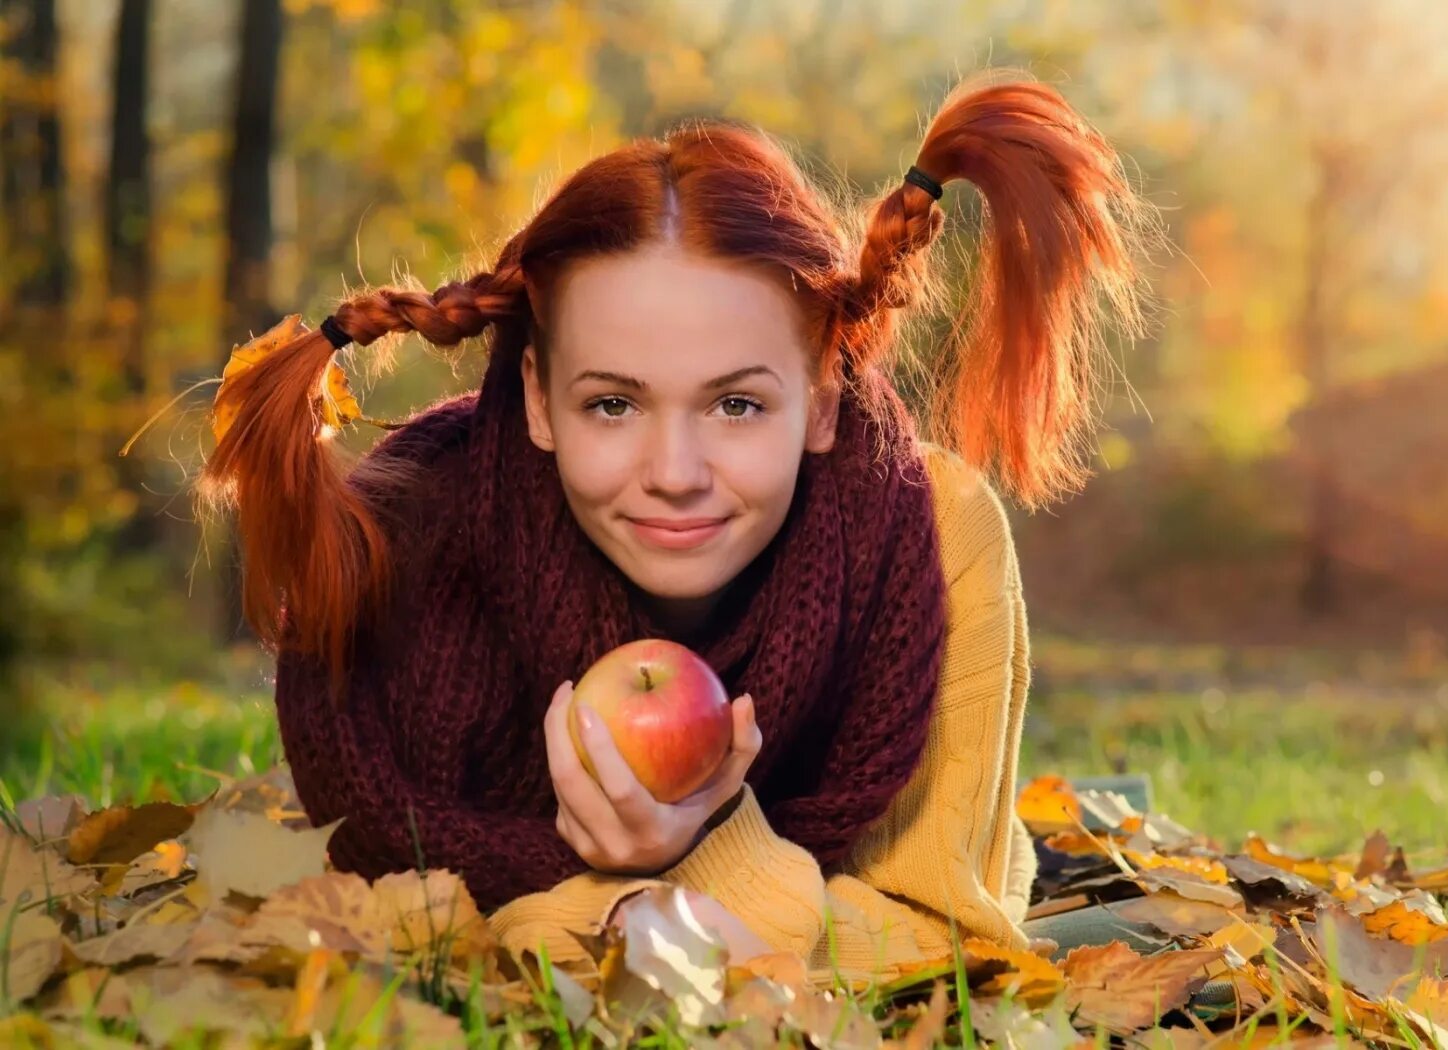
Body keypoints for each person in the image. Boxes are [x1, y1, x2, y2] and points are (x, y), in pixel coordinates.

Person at [200, 70, 1154, 984]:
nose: (674, 475)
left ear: (824, 396)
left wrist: (674, 866)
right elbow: (374, 912)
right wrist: (650, 912)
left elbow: (943, 944)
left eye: (735, 406)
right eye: (612, 406)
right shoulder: (399, 542)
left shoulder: (933, 536)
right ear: (537, 400)